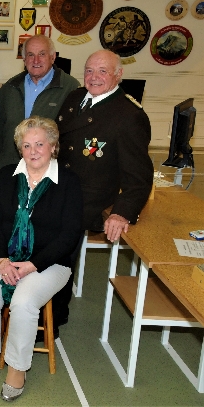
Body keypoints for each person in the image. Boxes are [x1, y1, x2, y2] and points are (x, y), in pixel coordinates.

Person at [0, 117, 83, 402]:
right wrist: (1, 261)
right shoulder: (8, 175)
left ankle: (17, 368)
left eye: (40, 144)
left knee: (23, 302)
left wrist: (33, 265)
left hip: (50, 262)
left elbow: (69, 236)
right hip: (5, 256)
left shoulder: (68, 181)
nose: (33, 151)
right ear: (19, 148)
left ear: (53, 146)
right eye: (26, 145)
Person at [54, 49, 153, 327]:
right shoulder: (75, 98)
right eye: (89, 70)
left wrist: (122, 213)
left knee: (59, 257)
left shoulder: (128, 115)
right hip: (56, 190)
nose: (93, 77)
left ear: (118, 75)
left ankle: (52, 318)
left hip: (88, 201)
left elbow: (139, 176)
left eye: (102, 71)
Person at [0, 35, 79, 175]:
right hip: (10, 168)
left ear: (53, 57)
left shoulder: (71, 88)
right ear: (24, 59)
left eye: (42, 54)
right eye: (31, 55)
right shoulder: (10, 88)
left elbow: (74, 136)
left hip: (49, 171)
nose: (36, 60)